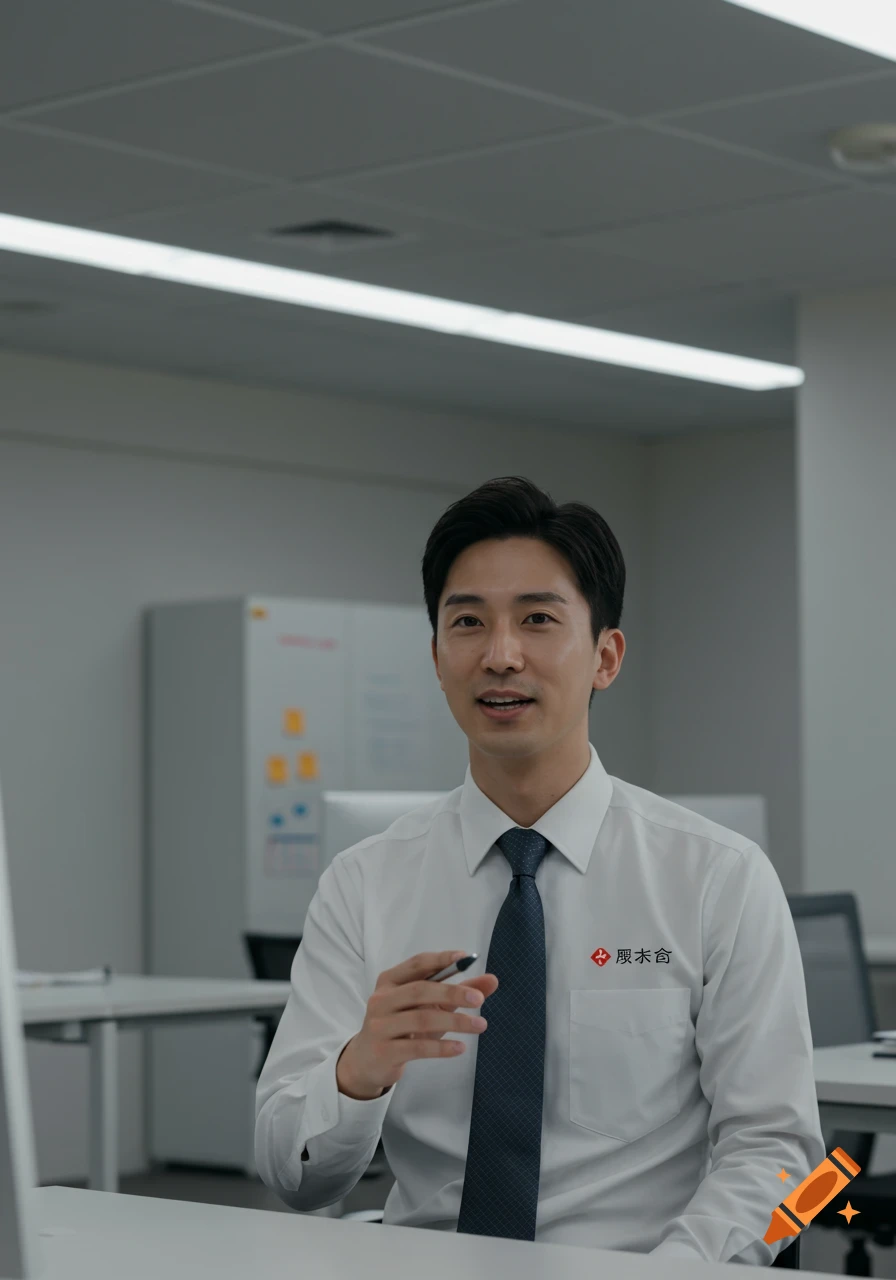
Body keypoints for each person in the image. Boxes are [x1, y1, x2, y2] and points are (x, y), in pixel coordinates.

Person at [255, 475, 824, 1263]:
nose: (500, 654)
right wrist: (357, 1073)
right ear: (435, 656)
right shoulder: (364, 883)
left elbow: (794, 1165)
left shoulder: (719, 877)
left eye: (538, 620)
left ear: (606, 656)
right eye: (467, 623)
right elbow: (292, 1178)